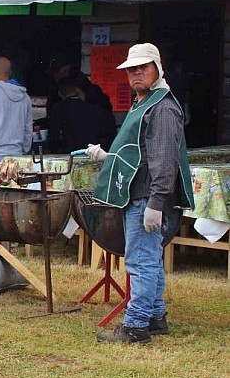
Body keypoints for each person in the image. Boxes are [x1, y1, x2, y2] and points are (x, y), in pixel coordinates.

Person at [88, 43, 193, 344]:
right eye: (131, 69)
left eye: (142, 68)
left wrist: (157, 203)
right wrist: (107, 157)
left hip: (148, 195)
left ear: (157, 69)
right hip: (141, 193)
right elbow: (139, 153)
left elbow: (163, 160)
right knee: (150, 259)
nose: (136, 73)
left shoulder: (162, 106)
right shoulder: (144, 102)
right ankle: (156, 316)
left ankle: (135, 325)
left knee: (140, 261)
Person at [49, 77, 116, 153]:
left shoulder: (57, 109)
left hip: (67, 154)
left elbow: (54, 137)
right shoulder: (94, 109)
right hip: (92, 153)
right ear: (78, 90)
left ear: (59, 93)